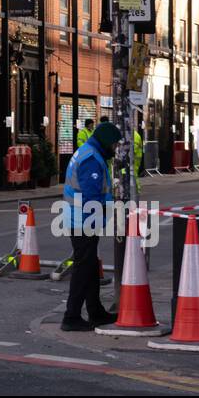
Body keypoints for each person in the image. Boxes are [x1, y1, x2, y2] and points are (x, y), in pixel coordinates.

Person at [60, 121, 120, 331]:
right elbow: (91, 197)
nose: (115, 149)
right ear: (105, 142)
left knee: (90, 266)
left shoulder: (88, 151)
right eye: (114, 145)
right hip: (82, 221)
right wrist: (99, 221)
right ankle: (71, 316)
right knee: (83, 268)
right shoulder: (92, 159)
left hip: (78, 218)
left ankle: (96, 312)